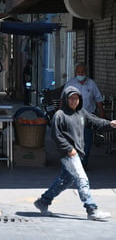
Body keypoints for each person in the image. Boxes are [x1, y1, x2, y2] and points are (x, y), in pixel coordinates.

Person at [34, 86, 116, 221]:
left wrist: (110, 124)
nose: (74, 101)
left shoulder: (81, 113)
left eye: (76, 98)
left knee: (65, 181)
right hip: (68, 155)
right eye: (71, 98)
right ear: (66, 99)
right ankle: (91, 209)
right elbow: (56, 135)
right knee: (82, 179)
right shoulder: (59, 115)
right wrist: (68, 149)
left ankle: (43, 201)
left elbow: (95, 122)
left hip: (77, 153)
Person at [65, 62, 105, 169]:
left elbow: (98, 100)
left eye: (82, 72)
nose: (80, 74)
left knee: (86, 141)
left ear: (86, 72)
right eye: (78, 72)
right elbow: (63, 100)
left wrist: (101, 116)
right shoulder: (70, 84)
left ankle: (83, 163)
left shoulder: (91, 84)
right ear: (75, 72)